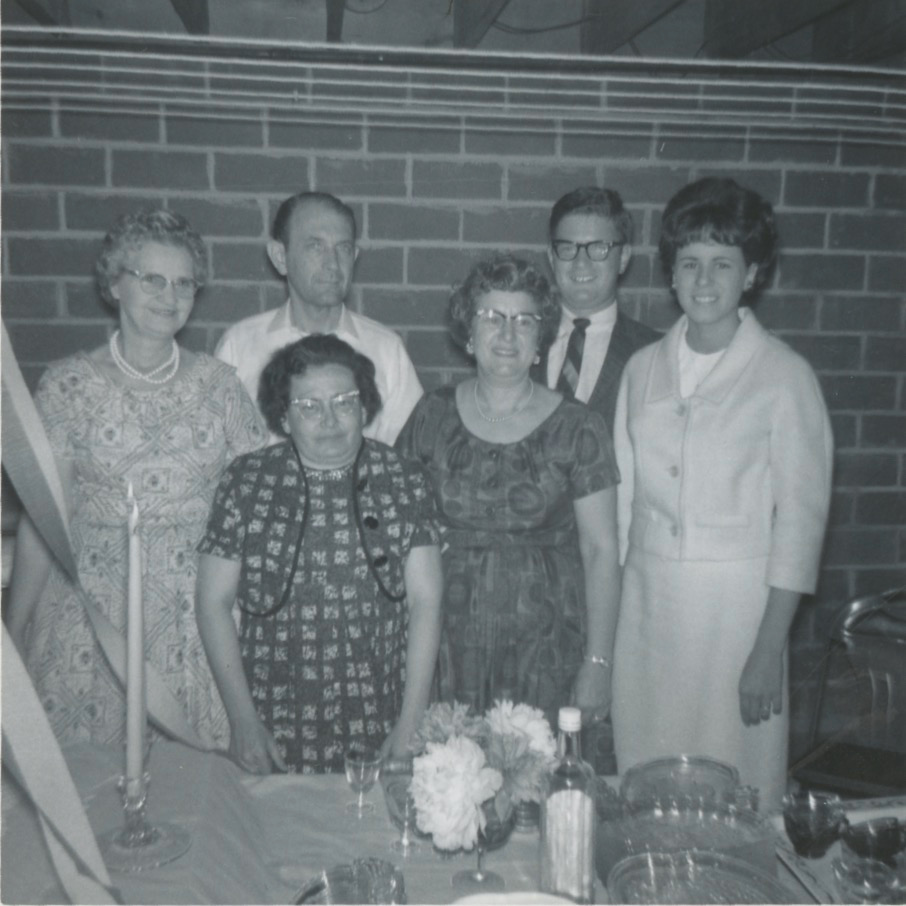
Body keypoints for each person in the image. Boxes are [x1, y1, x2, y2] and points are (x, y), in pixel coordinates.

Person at [5, 209, 267, 748]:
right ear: (114, 284)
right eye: (152, 279)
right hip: (91, 618)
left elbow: (257, 514)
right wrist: (12, 635)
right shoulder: (67, 386)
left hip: (196, 616)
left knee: (195, 797)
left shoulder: (221, 388)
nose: (169, 296)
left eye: (184, 282)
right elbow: (42, 519)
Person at [611, 178, 833, 811]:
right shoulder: (642, 369)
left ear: (752, 272)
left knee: (734, 785)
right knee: (650, 779)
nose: (703, 281)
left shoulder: (785, 377)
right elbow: (624, 502)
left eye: (722, 264)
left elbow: (800, 522)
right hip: (649, 612)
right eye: (689, 263)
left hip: (739, 619)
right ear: (670, 274)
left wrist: (768, 650)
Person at [195, 335, 443, 774]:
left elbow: (426, 602)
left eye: (344, 402)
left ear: (365, 409)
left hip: (379, 707)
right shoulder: (248, 481)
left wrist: (410, 725)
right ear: (284, 417)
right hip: (274, 712)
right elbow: (213, 602)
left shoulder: (404, 478)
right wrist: (243, 721)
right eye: (308, 406)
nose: (329, 420)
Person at [396, 254, 621, 732]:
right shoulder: (430, 416)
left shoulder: (579, 427)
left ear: (541, 339)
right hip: (446, 643)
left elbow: (601, 550)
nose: (507, 333)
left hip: (547, 646)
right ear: (468, 332)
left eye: (524, 320)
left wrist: (599, 663)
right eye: (491, 317)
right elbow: (400, 536)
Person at [215, 191, 423, 446]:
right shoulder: (239, 346)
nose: (333, 264)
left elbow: (407, 457)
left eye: (343, 248)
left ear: (354, 257)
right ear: (280, 257)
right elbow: (218, 456)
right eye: (315, 246)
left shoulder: (387, 350)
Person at [533, 187, 659, 435]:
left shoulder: (654, 352)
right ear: (551, 257)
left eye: (598, 248)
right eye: (568, 248)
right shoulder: (521, 339)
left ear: (623, 257)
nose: (581, 262)